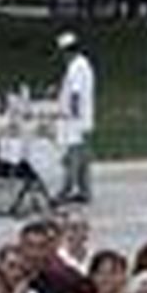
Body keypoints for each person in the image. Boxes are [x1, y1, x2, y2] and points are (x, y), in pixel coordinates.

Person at [55, 31, 96, 205]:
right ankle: (85, 191)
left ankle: (65, 191)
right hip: (84, 119)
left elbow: (75, 93)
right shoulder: (84, 63)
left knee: (73, 158)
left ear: (66, 51)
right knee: (84, 158)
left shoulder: (75, 67)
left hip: (75, 121)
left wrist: (72, 114)